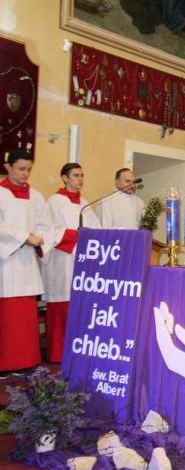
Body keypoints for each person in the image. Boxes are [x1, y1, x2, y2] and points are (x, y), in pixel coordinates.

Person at [0, 150, 52, 377]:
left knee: (25, 316)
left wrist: (38, 237)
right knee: (7, 316)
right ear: (8, 167)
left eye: (29, 169)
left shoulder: (37, 196)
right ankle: (4, 363)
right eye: (21, 169)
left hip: (27, 262)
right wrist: (24, 237)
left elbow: (45, 224)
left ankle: (26, 360)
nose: (25, 174)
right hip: (6, 262)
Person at [43, 163, 101, 363]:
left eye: (82, 175)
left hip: (83, 261)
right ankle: (58, 354)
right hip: (62, 261)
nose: (80, 179)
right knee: (61, 307)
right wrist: (74, 236)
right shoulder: (54, 201)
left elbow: (96, 228)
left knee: (80, 308)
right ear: (65, 178)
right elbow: (47, 231)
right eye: (76, 175)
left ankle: (77, 351)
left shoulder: (84, 203)